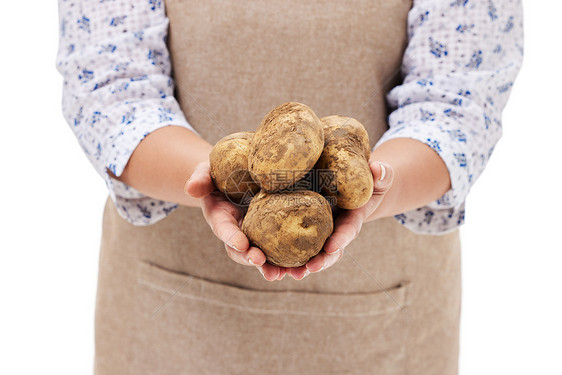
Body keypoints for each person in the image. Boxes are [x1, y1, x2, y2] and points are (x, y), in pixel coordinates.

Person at [57, 0, 523, 373]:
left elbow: (458, 103)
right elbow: (110, 87)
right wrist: (214, 179)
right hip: (167, 311)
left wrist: (368, 191)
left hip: (387, 315)